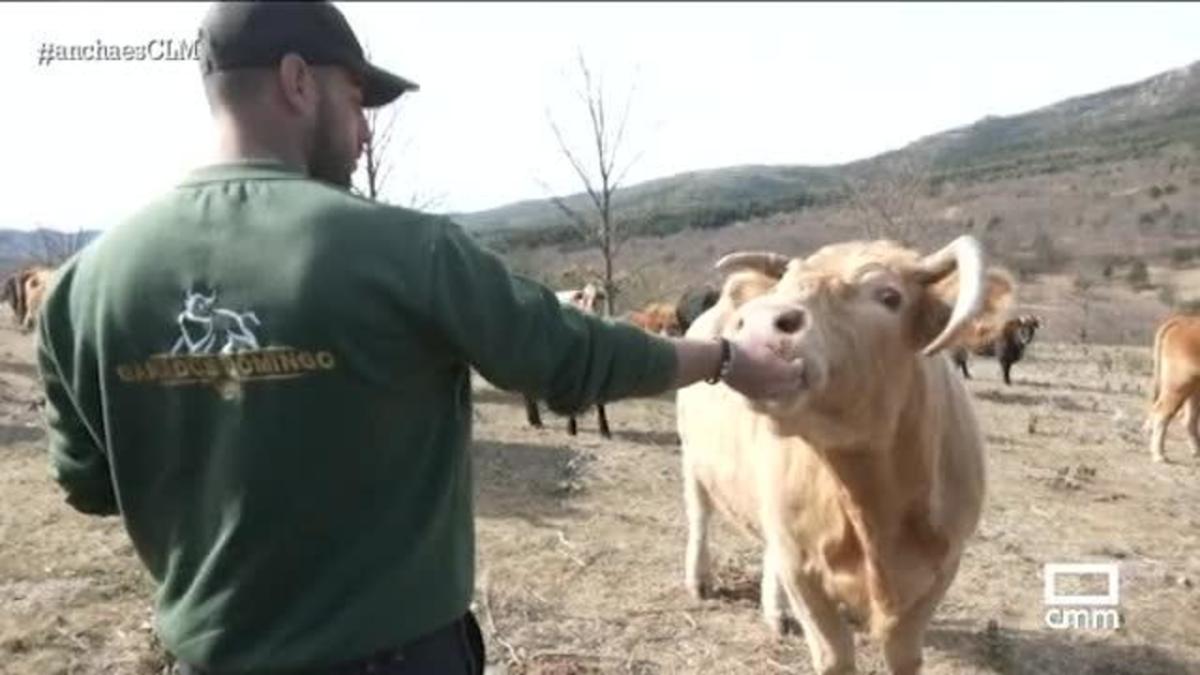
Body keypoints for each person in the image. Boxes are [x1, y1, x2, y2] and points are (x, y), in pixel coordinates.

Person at [34, 2, 806, 674]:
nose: (365, 129)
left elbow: (91, 486)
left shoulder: (80, 286)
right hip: (397, 658)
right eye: (357, 97)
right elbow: (572, 359)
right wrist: (726, 358)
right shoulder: (409, 252)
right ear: (298, 80)